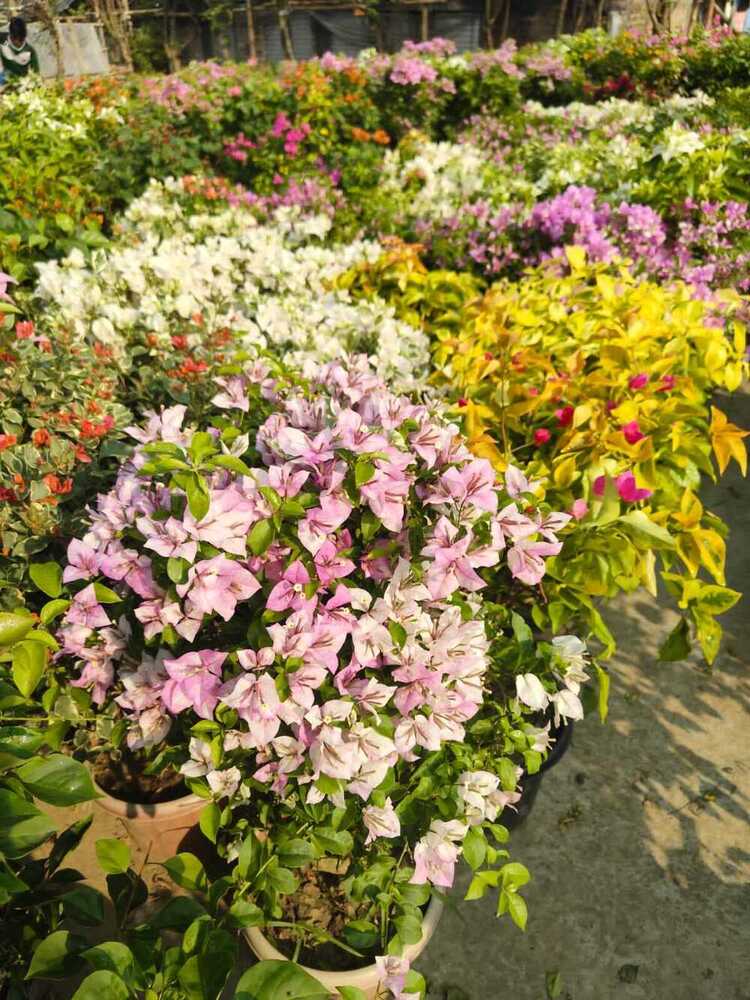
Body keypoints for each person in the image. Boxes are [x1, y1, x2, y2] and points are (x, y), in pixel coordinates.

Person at [0, 18, 40, 82]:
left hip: (23, 84)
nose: (17, 43)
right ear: (11, 35)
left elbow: (36, 73)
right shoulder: (3, 40)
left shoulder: (29, 51)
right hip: (5, 80)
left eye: (21, 40)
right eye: (14, 39)